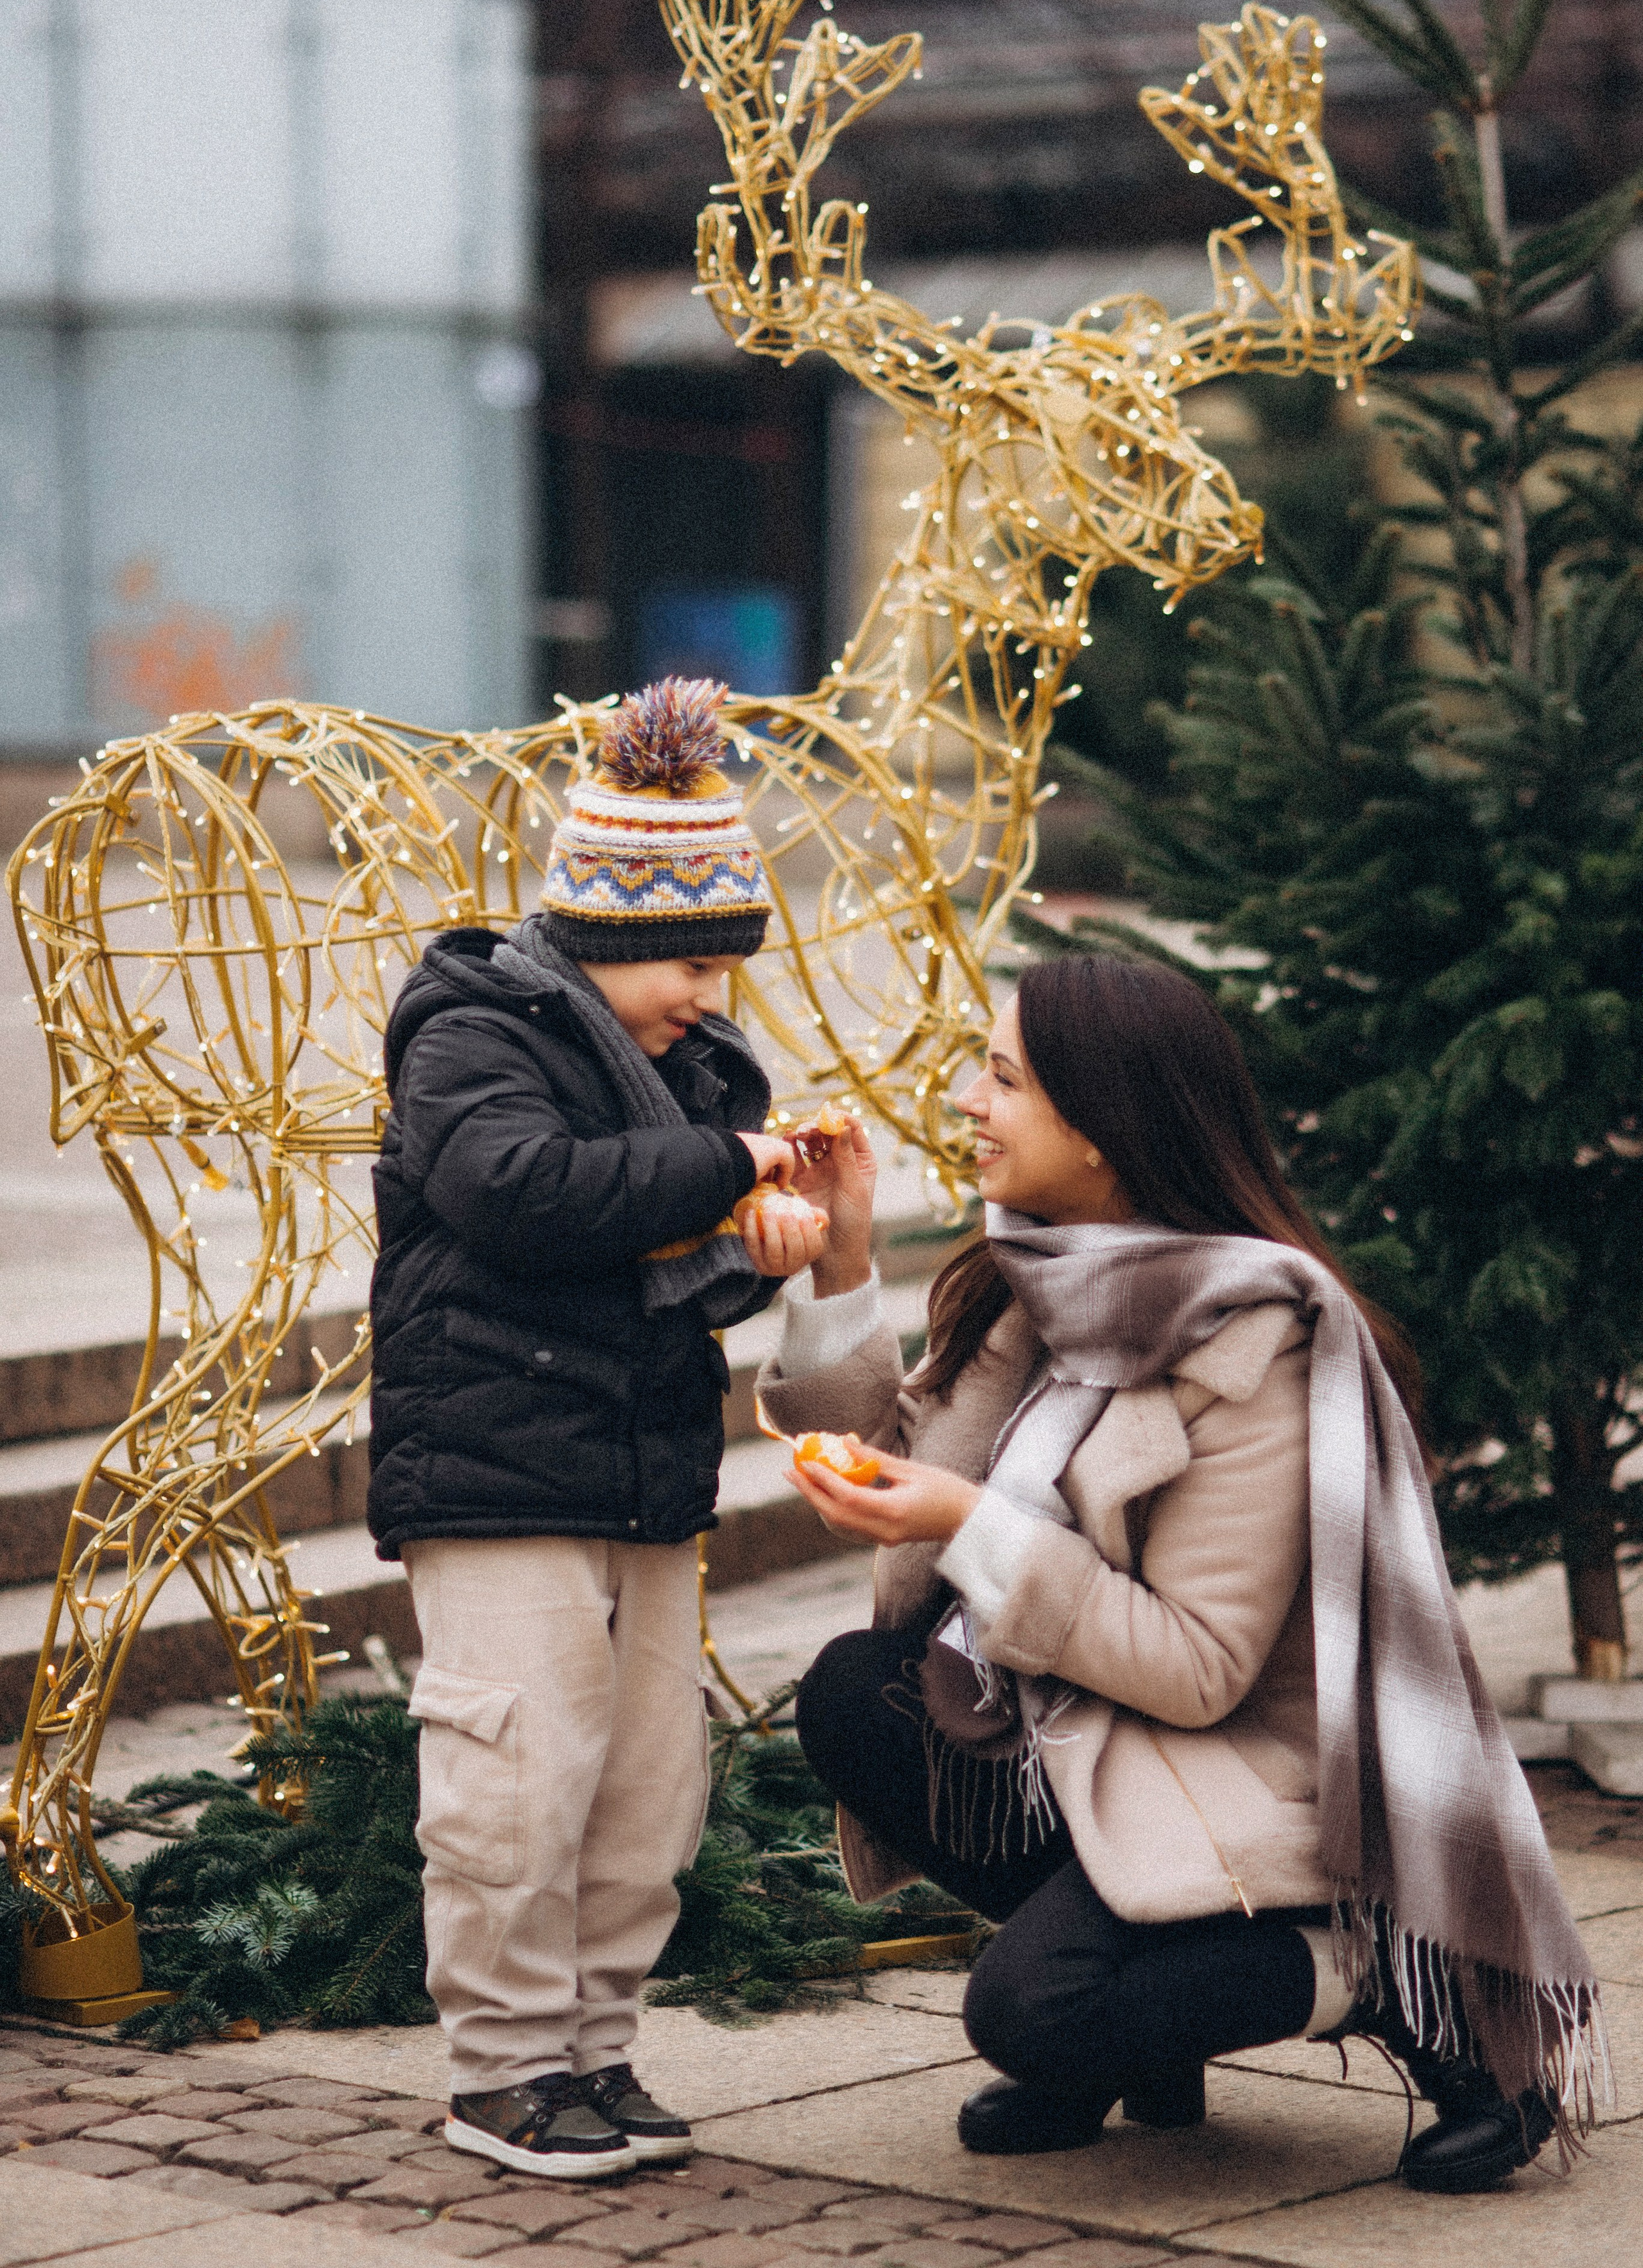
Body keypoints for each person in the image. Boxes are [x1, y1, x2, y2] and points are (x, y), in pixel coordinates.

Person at [770, 952, 1606, 2197]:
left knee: (1031, 2014)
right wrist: (840, 1267)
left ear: (1101, 1130)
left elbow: (1199, 1670)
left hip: (1254, 1771)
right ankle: (1146, 2004)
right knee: (857, 1692)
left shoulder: (1257, 1334)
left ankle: (1381, 1975)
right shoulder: (1044, 1279)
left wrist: (970, 1526)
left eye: (999, 1079)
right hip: (1087, 1730)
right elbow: (908, 1478)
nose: (964, 1101)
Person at [366, 679, 827, 2181]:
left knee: (644, 1785)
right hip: (499, 1469)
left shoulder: (686, 1069)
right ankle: (501, 2072)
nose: (708, 992)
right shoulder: (468, 1026)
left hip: (640, 1472)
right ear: (613, 936)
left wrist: (752, 1242)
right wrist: (722, 1163)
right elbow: (519, 1191)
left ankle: (596, 2048)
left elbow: (659, 1273)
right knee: (512, 1775)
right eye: (691, 959)